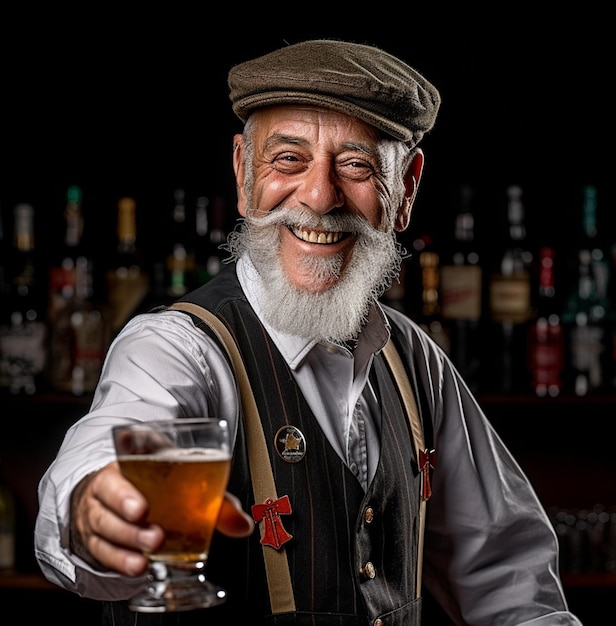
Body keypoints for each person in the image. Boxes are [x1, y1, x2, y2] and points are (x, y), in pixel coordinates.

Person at [35, 39, 583, 625]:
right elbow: (108, 450)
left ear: (407, 191)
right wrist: (96, 506)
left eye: (356, 165)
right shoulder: (175, 349)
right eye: (288, 159)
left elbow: (509, 576)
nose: (320, 198)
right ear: (245, 174)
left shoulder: (414, 358)